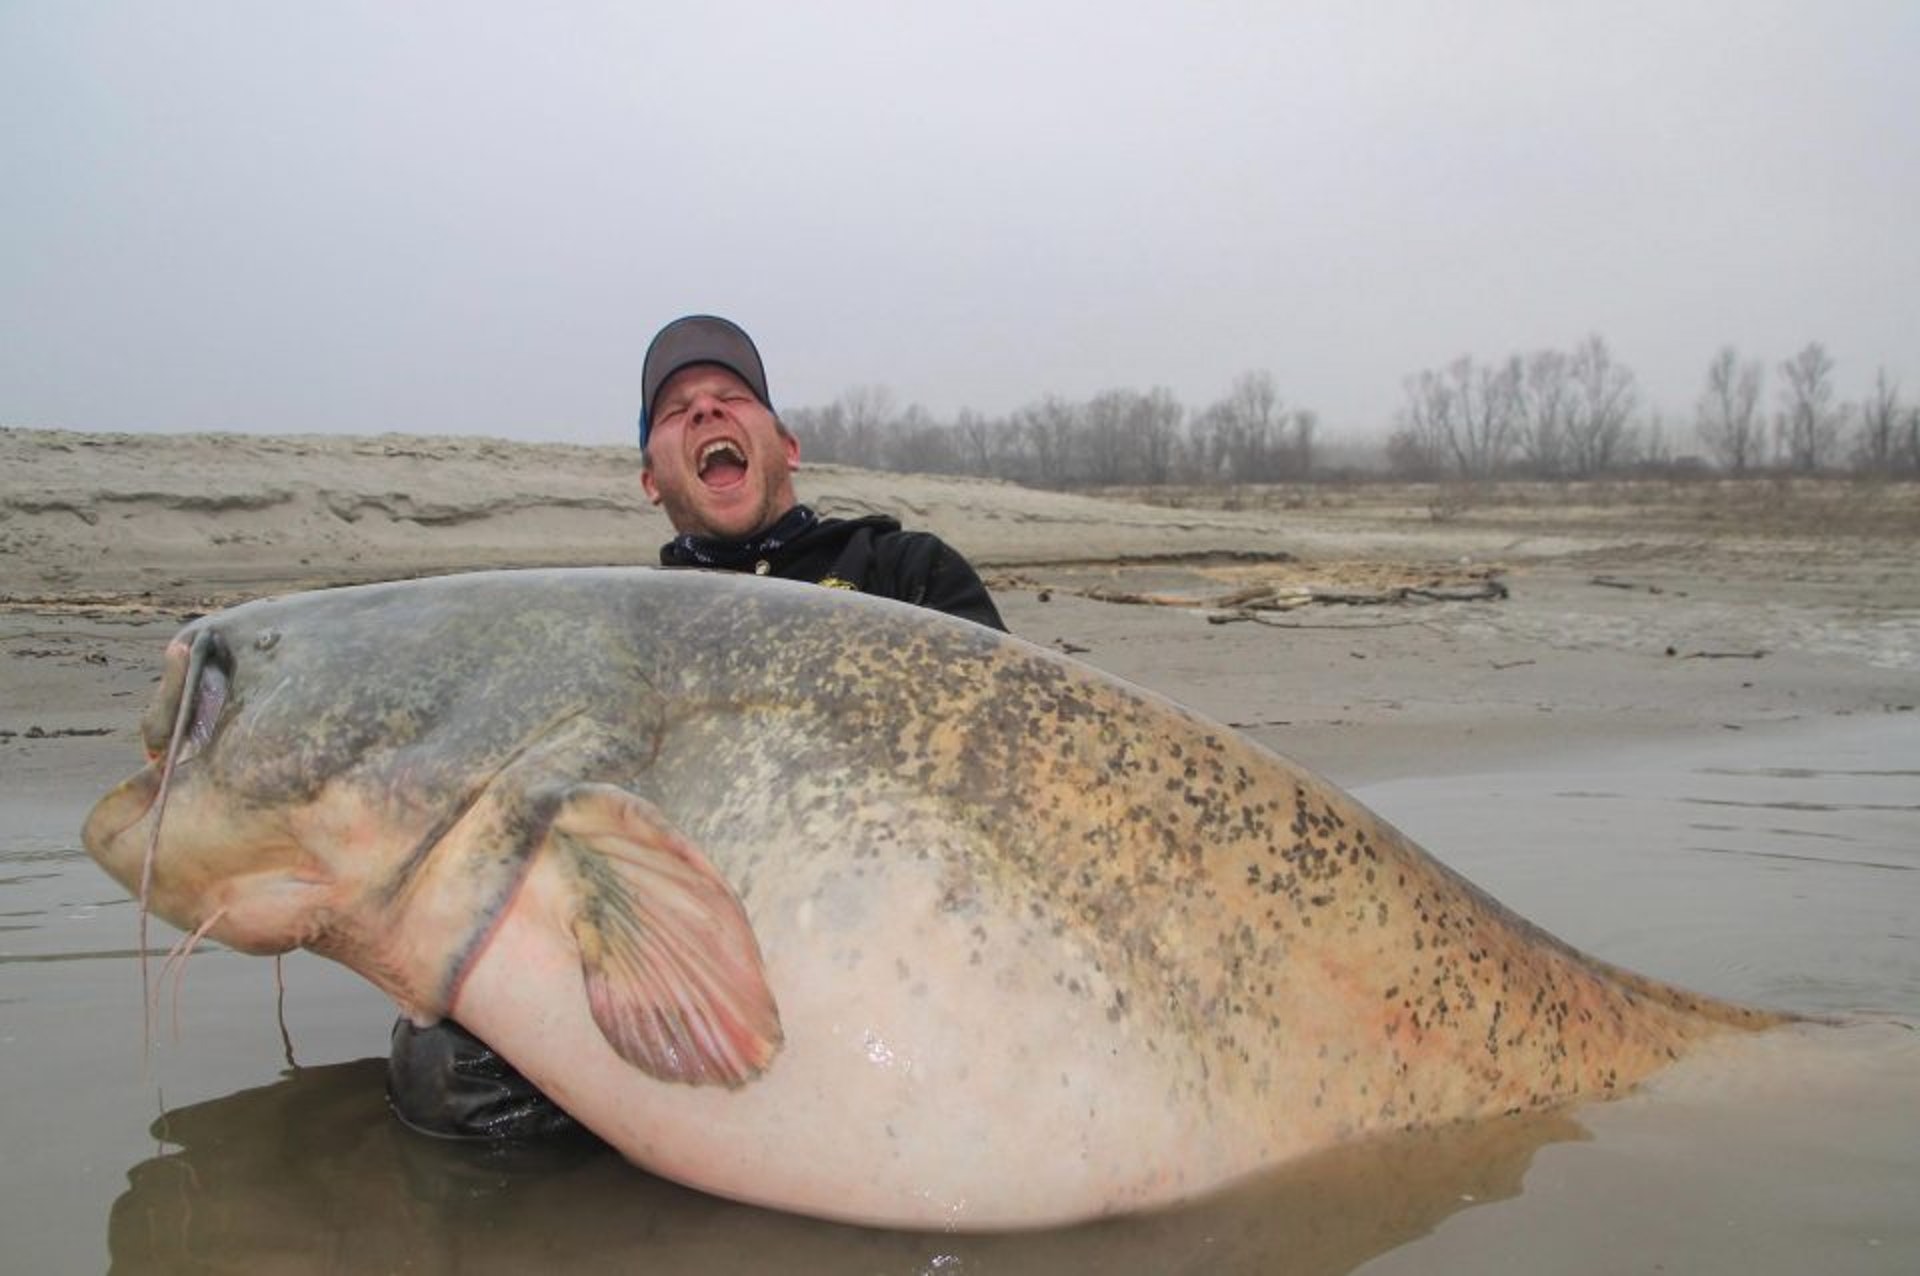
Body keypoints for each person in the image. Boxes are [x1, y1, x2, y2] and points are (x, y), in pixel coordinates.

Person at [387, 314, 1005, 1139]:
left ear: (785, 444)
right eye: (677, 411)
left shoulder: (903, 569)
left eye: (731, 397)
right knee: (444, 1072)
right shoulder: (619, 634)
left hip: (900, 924)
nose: (707, 413)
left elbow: (1007, 760)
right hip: (687, 945)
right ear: (651, 479)